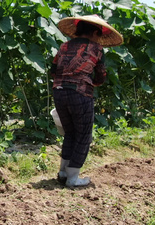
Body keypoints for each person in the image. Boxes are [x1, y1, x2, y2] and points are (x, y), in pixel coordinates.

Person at [51, 15, 123, 187]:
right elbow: (101, 75)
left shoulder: (64, 46)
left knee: (70, 133)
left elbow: (54, 69)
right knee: (83, 135)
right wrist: (92, 83)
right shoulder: (96, 48)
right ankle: (73, 178)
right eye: (98, 35)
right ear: (94, 32)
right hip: (80, 94)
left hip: (59, 91)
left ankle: (63, 173)